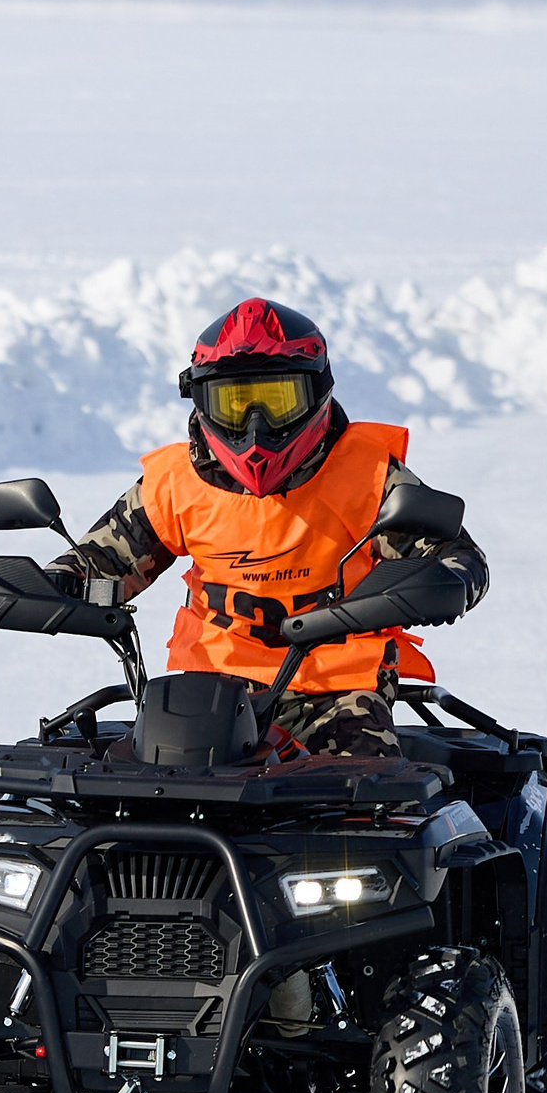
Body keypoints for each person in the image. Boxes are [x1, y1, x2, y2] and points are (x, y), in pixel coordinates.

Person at [46, 297, 488, 757]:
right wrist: (57, 582)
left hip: (338, 690)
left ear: (317, 392)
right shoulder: (176, 483)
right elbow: (101, 562)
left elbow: (459, 556)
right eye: (235, 404)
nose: (257, 428)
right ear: (200, 401)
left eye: (278, 401)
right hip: (211, 692)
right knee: (149, 804)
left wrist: (442, 581)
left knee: (362, 804)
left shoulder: (370, 475)